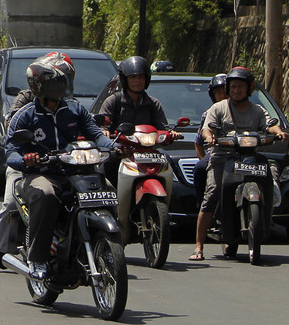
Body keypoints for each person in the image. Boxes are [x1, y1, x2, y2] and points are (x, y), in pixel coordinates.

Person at [4, 54, 114, 279]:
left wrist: (114, 145)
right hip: (42, 174)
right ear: (41, 87)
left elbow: (95, 134)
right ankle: (38, 259)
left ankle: (109, 247)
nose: (62, 87)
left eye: (64, 82)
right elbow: (11, 152)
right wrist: (27, 160)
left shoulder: (75, 109)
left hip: (76, 172)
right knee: (45, 195)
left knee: (108, 190)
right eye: (57, 83)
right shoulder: (24, 116)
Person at [0, 52, 75, 272]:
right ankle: (2, 252)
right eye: (60, 78)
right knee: (10, 206)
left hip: (64, 165)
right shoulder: (26, 99)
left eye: (66, 78)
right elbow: (14, 123)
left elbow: (85, 128)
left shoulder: (70, 104)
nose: (63, 83)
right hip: (28, 163)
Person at [189, 66, 286, 261]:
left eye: (240, 87)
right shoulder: (218, 108)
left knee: (270, 181)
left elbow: (270, 124)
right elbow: (207, 129)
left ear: (249, 89)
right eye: (232, 87)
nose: (236, 90)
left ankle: (266, 223)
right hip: (222, 157)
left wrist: (278, 132)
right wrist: (209, 137)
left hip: (249, 157)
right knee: (213, 191)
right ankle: (199, 245)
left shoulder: (257, 110)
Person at [99, 56, 182, 184]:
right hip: (120, 152)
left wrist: (170, 134)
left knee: (168, 162)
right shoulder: (113, 101)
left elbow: (163, 129)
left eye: (141, 77)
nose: (137, 81)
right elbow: (103, 125)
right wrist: (104, 131)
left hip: (147, 154)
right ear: (125, 79)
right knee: (107, 168)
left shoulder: (154, 104)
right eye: (133, 77)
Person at [192, 74, 228, 210]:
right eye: (218, 93)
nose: (222, 96)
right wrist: (206, 162)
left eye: (225, 92)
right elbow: (198, 142)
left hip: (240, 153)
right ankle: (204, 208)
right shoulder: (209, 114)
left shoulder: (244, 109)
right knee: (200, 168)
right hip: (217, 154)